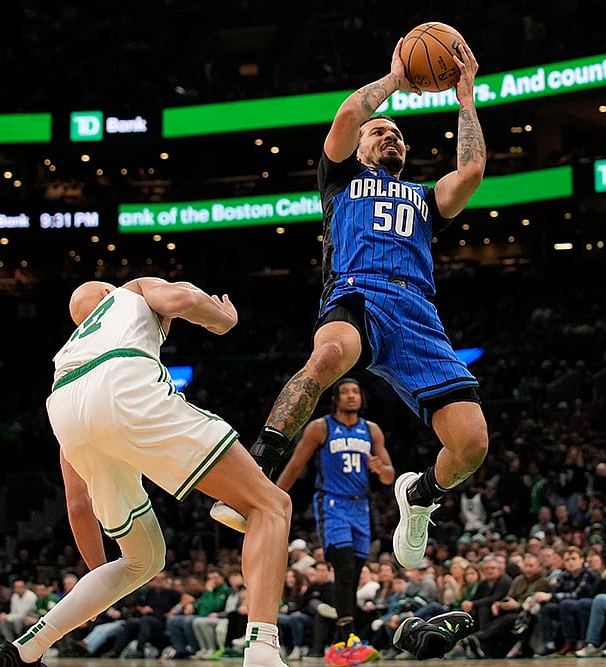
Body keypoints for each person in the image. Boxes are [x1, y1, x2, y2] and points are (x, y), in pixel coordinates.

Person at [214, 34, 484, 662]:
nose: (389, 138)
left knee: (471, 444)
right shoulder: (339, 182)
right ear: (361, 146)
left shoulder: (422, 199)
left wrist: (465, 97)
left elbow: (469, 172)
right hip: (356, 292)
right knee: (329, 354)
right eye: (379, 133)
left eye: (397, 136)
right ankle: (253, 471)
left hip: (416, 311)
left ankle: (419, 497)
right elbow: (344, 117)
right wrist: (396, 81)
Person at [0, 277, 291, 667]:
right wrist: (223, 319)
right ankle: (262, 651)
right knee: (270, 504)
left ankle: (24, 651)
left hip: (63, 409)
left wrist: (99, 584)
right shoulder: (132, 291)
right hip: (122, 384)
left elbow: (78, 504)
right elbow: (180, 297)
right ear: (107, 295)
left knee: (142, 559)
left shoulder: (69, 355)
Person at [274, 377, 395, 661]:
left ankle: (341, 644)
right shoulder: (321, 427)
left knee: (354, 573)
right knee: (343, 570)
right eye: (345, 392)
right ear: (335, 399)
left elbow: (390, 476)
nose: (352, 396)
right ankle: (350, 638)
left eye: (356, 392)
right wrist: (274, 495)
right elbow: (295, 464)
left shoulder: (372, 431)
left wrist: (381, 468)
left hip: (361, 507)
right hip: (332, 504)